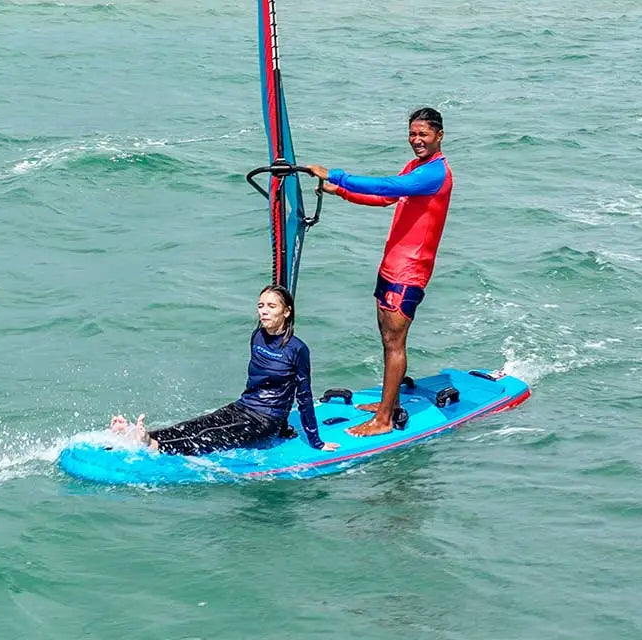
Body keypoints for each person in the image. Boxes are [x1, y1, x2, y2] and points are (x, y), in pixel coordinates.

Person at [309, 106, 452, 438]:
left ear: (439, 136)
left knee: (394, 341)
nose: (416, 140)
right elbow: (387, 200)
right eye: (412, 134)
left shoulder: (435, 173)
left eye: (423, 134)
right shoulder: (417, 167)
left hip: (410, 271)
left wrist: (336, 175)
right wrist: (341, 192)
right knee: (387, 338)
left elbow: (388, 186)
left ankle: (385, 418)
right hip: (392, 264)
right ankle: (390, 400)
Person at [108, 285, 335, 455]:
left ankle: (154, 445)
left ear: (286, 312)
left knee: (210, 436)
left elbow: (302, 396)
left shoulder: (297, 349)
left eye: (271, 306)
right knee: (195, 424)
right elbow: (259, 382)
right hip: (242, 406)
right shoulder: (257, 336)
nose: (263, 311)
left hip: (265, 421)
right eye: (260, 306)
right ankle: (135, 435)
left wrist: (316, 441)